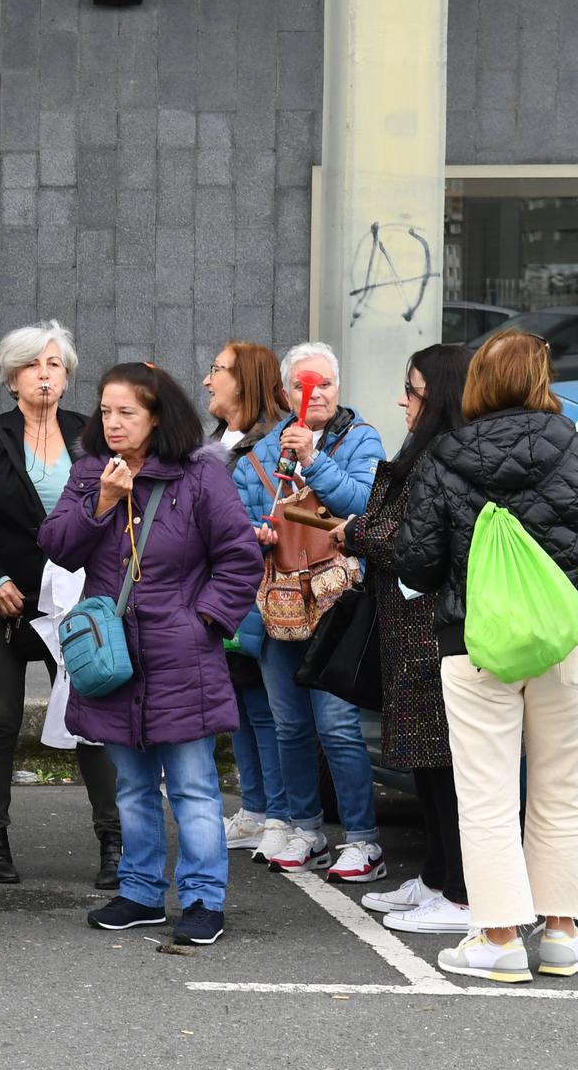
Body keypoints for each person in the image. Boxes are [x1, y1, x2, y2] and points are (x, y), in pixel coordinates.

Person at [40, 362, 260, 946]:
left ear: (157, 416)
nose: (112, 424)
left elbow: (240, 558)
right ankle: (139, 891)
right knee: (132, 785)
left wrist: (203, 621)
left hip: (181, 653)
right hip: (112, 656)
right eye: (106, 412)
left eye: (127, 413)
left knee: (192, 785)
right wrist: (102, 503)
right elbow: (58, 546)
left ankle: (202, 899)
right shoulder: (91, 472)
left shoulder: (200, 476)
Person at [396, 329, 578, 983]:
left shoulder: (445, 454)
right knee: (561, 790)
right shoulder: (575, 447)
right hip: (563, 639)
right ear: (541, 378)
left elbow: (417, 560)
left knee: (486, 793)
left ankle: (498, 935)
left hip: (474, 639)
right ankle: (562, 933)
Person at [0, 320, 120, 889]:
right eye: (32, 365)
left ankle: (113, 840)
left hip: (74, 602)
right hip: (1, 601)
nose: (44, 374)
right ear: (12, 378)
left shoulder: (89, 434)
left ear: (67, 378)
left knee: (90, 719)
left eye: (55, 366)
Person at [233, 343, 386, 880]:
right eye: (303, 385)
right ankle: (306, 829)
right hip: (277, 601)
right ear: (284, 392)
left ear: (337, 389)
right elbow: (238, 513)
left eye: (323, 385)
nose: (314, 395)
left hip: (336, 604)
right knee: (287, 724)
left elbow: (364, 507)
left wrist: (314, 462)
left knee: (337, 723)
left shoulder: (361, 439)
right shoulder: (263, 450)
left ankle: (363, 840)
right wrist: (257, 532)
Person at [338, 345, 474, 935]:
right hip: (408, 626)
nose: (403, 399)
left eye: (413, 389)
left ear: (439, 394)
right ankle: (439, 876)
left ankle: (460, 888)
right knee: (425, 761)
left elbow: (416, 538)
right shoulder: (426, 451)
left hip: (433, 629)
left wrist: (357, 532)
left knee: (445, 765)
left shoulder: (450, 456)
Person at [201, 340, 289, 854]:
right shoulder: (217, 440)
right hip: (224, 591)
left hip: (261, 589)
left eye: (218, 370)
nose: (209, 380)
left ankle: (277, 813)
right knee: (239, 702)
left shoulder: (269, 442)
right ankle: (255, 807)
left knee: (265, 707)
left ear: (246, 380)